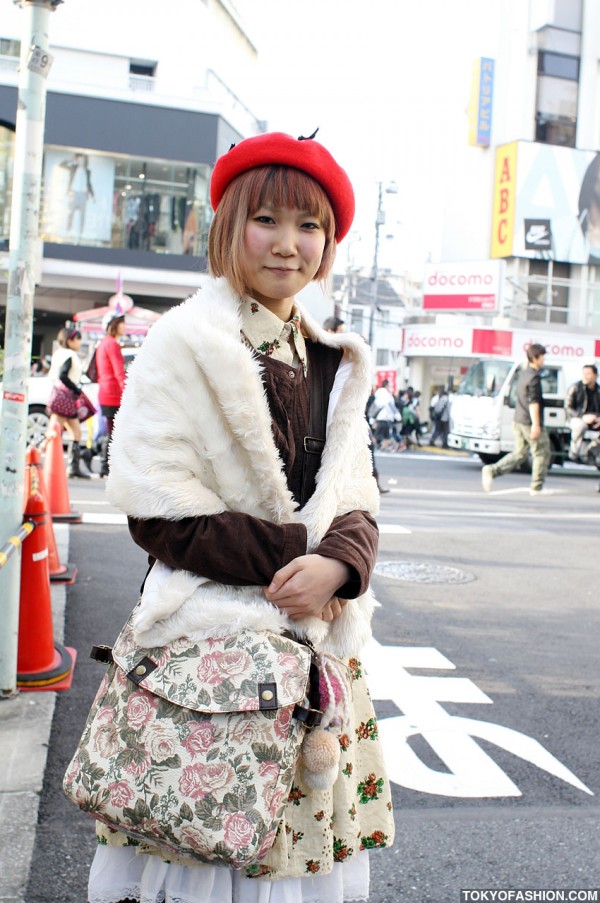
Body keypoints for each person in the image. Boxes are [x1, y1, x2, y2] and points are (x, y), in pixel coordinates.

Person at [86, 131, 395, 903]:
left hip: (317, 654)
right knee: (202, 847)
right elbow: (158, 511)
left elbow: (361, 492)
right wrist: (296, 559)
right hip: (213, 660)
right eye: (267, 220)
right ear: (228, 225)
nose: (289, 244)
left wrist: (343, 564)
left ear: (328, 243)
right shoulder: (184, 343)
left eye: (310, 226)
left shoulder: (333, 358)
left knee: (295, 863)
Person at [481, 343, 551, 495]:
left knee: (520, 453)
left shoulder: (524, 374)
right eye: (542, 356)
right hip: (529, 421)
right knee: (542, 452)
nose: (544, 359)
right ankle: (536, 487)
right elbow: (533, 402)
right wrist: (536, 425)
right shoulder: (534, 377)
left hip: (518, 419)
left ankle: (492, 470)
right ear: (536, 358)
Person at [45, 327, 91, 478]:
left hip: (59, 396)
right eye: (78, 339)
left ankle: (73, 468)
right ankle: (37, 458)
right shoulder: (70, 355)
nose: (80, 342)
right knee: (54, 431)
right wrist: (76, 389)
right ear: (70, 340)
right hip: (66, 398)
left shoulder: (58, 353)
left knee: (73, 432)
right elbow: (63, 375)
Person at [95, 310, 126, 477]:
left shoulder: (103, 343)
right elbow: (118, 371)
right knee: (114, 431)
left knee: (110, 429)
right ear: (113, 325)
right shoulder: (112, 344)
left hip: (105, 392)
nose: (124, 326)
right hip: (113, 394)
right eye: (121, 322)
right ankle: (107, 465)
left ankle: (104, 465)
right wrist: (126, 390)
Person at [565, 363, 600, 461]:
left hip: (595, 420)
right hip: (577, 418)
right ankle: (574, 453)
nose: (585, 376)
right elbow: (568, 407)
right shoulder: (575, 387)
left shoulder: (598, 390)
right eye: (583, 373)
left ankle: (592, 450)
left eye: (588, 374)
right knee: (579, 425)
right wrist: (582, 416)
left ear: (596, 376)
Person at [371, 378, 401, 452]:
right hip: (386, 418)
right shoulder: (387, 395)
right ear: (387, 386)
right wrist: (397, 415)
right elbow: (391, 406)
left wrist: (372, 419)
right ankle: (379, 448)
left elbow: (374, 406)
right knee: (385, 436)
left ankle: (379, 448)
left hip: (378, 418)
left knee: (379, 435)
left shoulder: (378, 393)